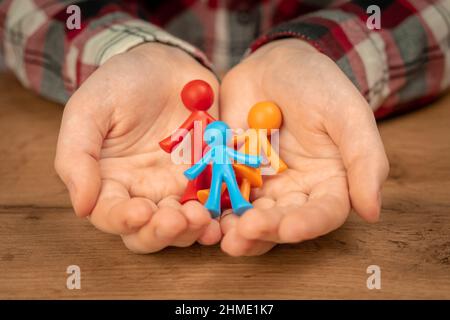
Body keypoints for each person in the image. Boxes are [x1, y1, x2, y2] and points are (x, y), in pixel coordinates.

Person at [0, 0, 448, 256]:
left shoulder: (243, 142)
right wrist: (129, 51)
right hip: (216, 171)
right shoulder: (212, 134)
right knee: (215, 191)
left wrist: (308, 55)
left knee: (225, 192)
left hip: (235, 168)